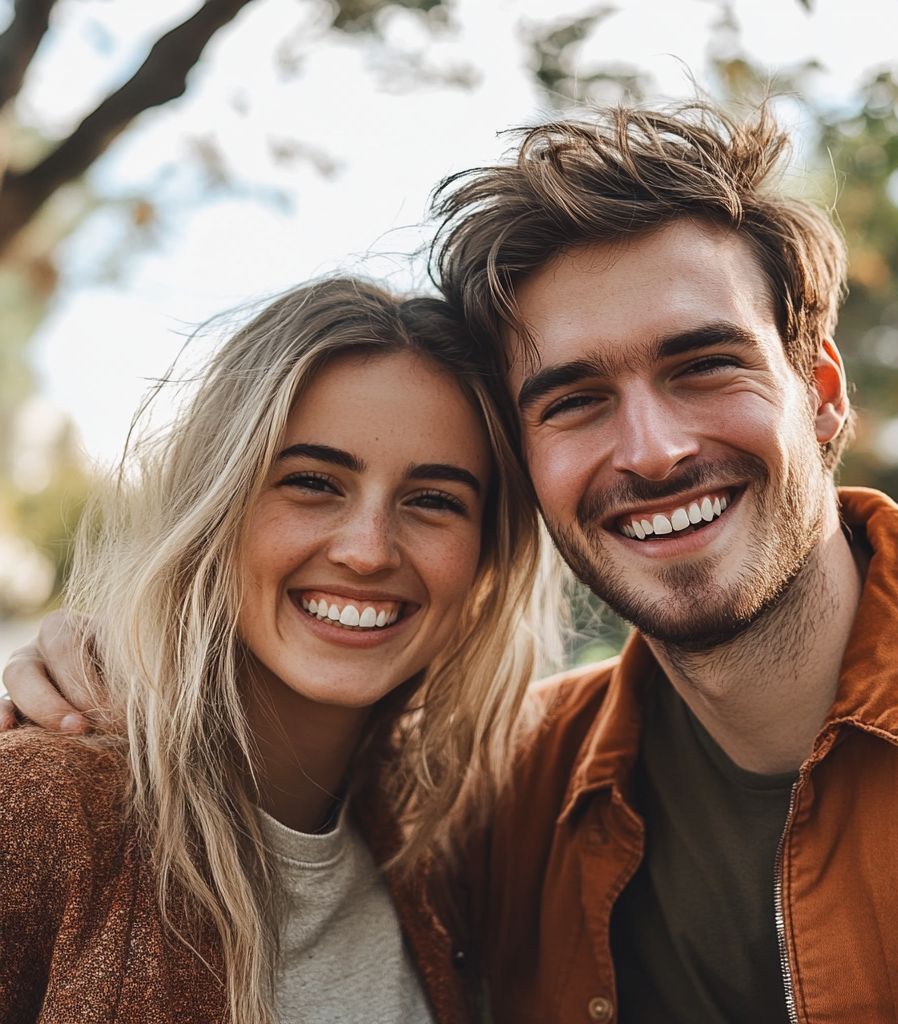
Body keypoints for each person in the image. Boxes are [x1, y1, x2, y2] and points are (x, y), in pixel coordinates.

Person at [6, 103, 898, 1024]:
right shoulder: (511, 796)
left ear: (821, 390)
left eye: (703, 364)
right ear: (530, 474)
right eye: (575, 398)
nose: (653, 450)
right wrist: (105, 660)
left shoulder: (459, 812)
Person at [0, 277, 551, 1024]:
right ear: (217, 509)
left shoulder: (449, 841)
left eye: (433, 500)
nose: (367, 551)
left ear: (487, 558)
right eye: (314, 482)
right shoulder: (41, 806)